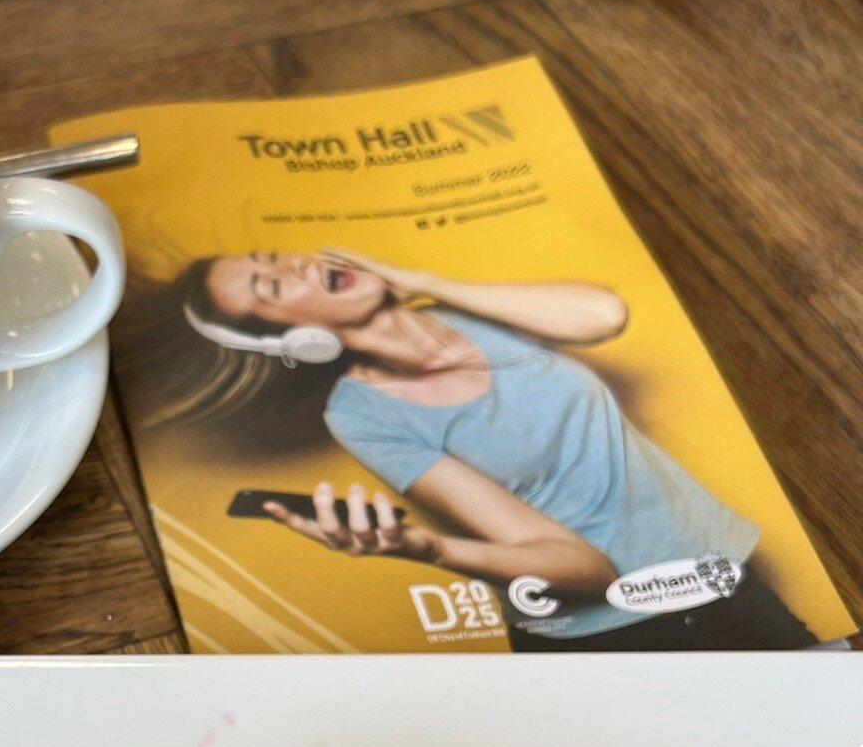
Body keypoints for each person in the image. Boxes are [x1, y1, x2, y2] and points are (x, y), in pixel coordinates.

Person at [135, 249, 813, 649]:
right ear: (291, 341)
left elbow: (604, 316)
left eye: (276, 256)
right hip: (613, 633)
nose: (299, 265)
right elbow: (584, 567)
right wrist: (426, 550)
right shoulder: (363, 415)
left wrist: (407, 276)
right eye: (275, 286)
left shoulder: (463, 311)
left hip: (717, 571)